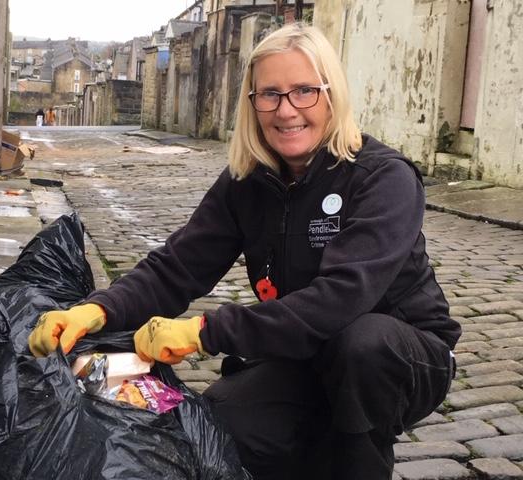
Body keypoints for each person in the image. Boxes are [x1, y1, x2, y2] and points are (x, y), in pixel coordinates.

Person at [28, 23, 460, 480]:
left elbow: (340, 300)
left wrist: (204, 332)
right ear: (252, 105)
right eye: (269, 94)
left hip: (400, 357)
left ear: (332, 96)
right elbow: (177, 267)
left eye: (304, 92)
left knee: (362, 346)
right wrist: (96, 311)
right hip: (304, 354)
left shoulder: (383, 178)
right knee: (221, 424)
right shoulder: (246, 182)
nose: (286, 109)